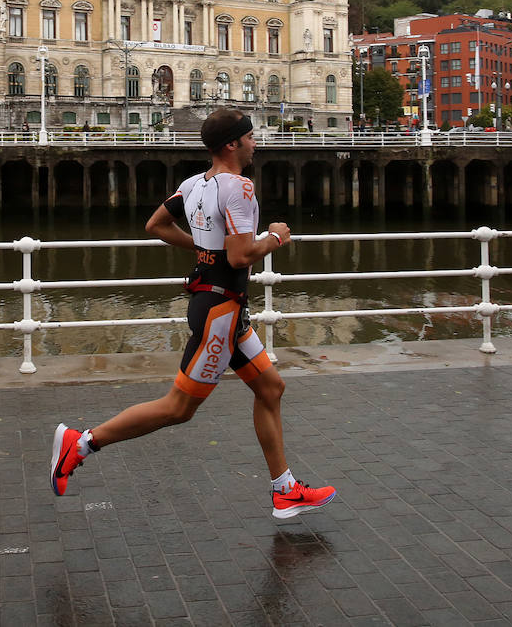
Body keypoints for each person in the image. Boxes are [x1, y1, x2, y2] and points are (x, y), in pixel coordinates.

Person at [51, 108, 336, 518]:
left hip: (224, 309)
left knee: (271, 389)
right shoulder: (239, 188)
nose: (256, 143)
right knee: (178, 408)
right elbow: (240, 256)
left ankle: (285, 489)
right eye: (251, 137)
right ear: (232, 144)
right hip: (219, 312)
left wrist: (203, 250)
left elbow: (156, 225)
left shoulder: (192, 185)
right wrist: (276, 236)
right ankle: (79, 444)